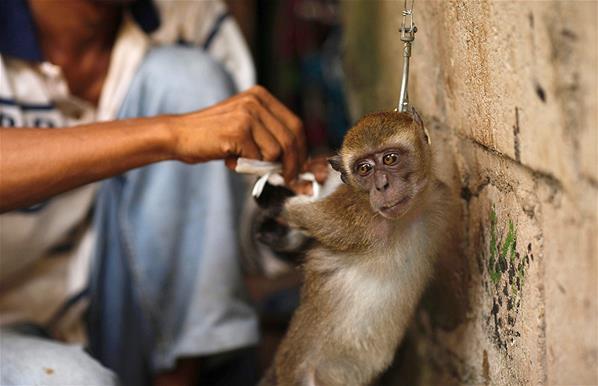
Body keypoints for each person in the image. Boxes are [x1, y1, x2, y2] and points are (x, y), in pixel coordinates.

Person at [0, 0, 313, 385]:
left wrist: (305, 203)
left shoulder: (186, 16)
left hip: (114, 316)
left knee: (186, 79)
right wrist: (171, 134)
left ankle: (182, 376)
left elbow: (229, 227)